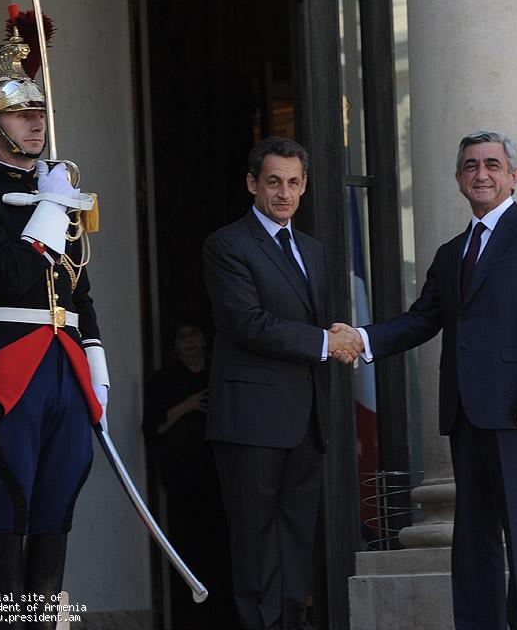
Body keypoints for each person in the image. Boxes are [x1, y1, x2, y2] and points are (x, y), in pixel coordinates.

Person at [334, 130, 517, 629]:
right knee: (473, 537)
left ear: (514, 176)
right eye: (470, 166)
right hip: (465, 410)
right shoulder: (451, 252)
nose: (480, 174)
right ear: (459, 179)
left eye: (492, 165)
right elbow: (422, 319)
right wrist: (362, 337)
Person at [0, 16, 109, 629]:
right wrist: (51, 206)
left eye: (39, 113)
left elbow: (80, 290)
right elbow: (10, 273)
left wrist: (97, 365)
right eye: (19, 113)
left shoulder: (61, 191)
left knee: (58, 505)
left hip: (67, 365)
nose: (36, 123)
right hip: (13, 367)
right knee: (11, 508)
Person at [202, 135, 362, 630]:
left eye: (293, 183)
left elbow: (319, 321)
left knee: (295, 539)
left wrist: (339, 336)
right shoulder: (227, 244)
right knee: (256, 544)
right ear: (252, 184)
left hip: (306, 418)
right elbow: (246, 322)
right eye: (274, 182)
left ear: (305, 185)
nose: (284, 193)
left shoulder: (313, 250)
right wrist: (326, 342)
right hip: (251, 420)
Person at [143, 322, 238, 628]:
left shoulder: (220, 372)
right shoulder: (164, 380)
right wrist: (187, 405)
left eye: (194, 334)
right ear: (174, 345)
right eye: (182, 337)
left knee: (226, 547)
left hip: (222, 475)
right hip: (183, 479)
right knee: (189, 548)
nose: (190, 342)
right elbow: (153, 427)